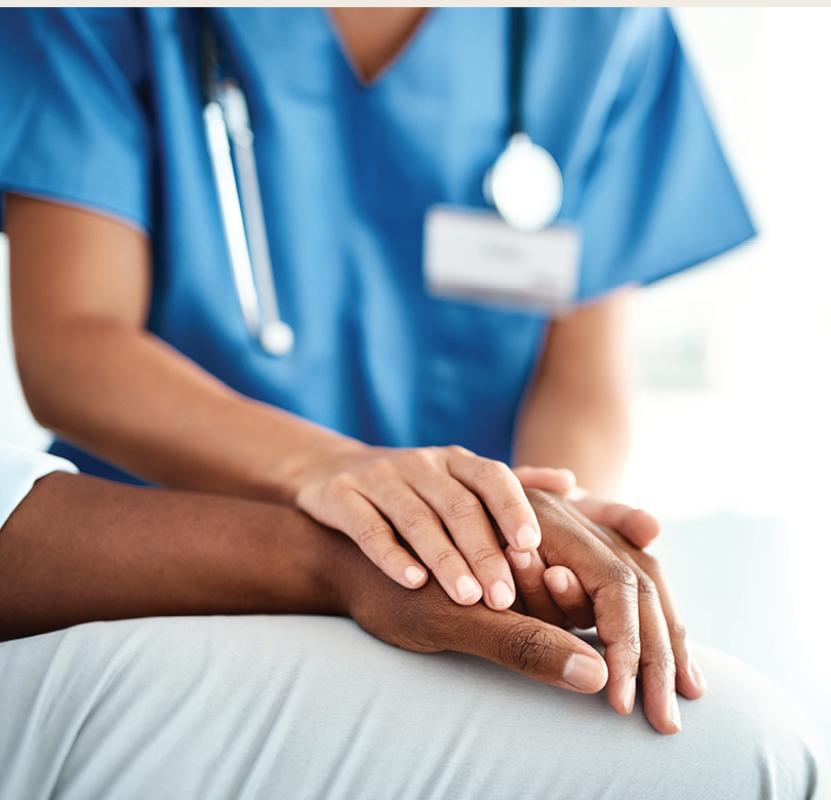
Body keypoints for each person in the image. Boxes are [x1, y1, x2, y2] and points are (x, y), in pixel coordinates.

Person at [0, 7, 755, 728]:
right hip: (162, 576)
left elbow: (580, 377)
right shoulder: (100, 13)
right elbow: (74, 344)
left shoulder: (598, 25)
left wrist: (532, 539)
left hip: (463, 592)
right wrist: (344, 475)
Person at [0, 441, 818, 799]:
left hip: (415, 526)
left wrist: (522, 534)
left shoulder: (610, 77)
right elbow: (77, 341)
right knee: (735, 753)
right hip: (168, 549)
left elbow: (589, 345)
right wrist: (343, 547)